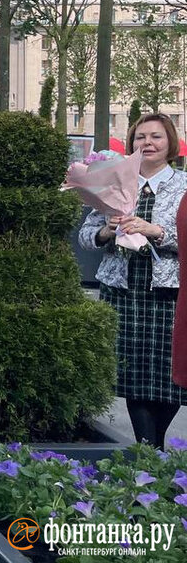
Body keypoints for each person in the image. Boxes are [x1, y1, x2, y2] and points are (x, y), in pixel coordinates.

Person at [81, 113, 187, 448]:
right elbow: (85, 237)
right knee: (132, 374)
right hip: (123, 290)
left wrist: (156, 232)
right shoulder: (115, 182)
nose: (148, 144)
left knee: (165, 375)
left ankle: (154, 444)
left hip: (167, 292)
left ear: (170, 142)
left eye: (156, 137)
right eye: (140, 137)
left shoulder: (184, 186)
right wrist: (105, 231)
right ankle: (148, 448)